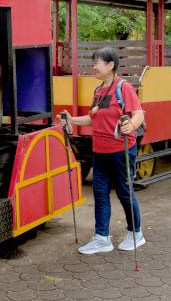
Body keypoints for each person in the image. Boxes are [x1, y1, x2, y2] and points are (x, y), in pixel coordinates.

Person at [60, 47, 146, 255]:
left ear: (110, 65)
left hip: (121, 150)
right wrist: (71, 120)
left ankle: (136, 233)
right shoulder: (98, 91)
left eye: (97, 62)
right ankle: (101, 238)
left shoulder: (123, 87)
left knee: (125, 192)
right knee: (100, 192)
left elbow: (138, 113)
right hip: (99, 150)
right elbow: (93, 118)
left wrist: (131, 126)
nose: (94, 66)